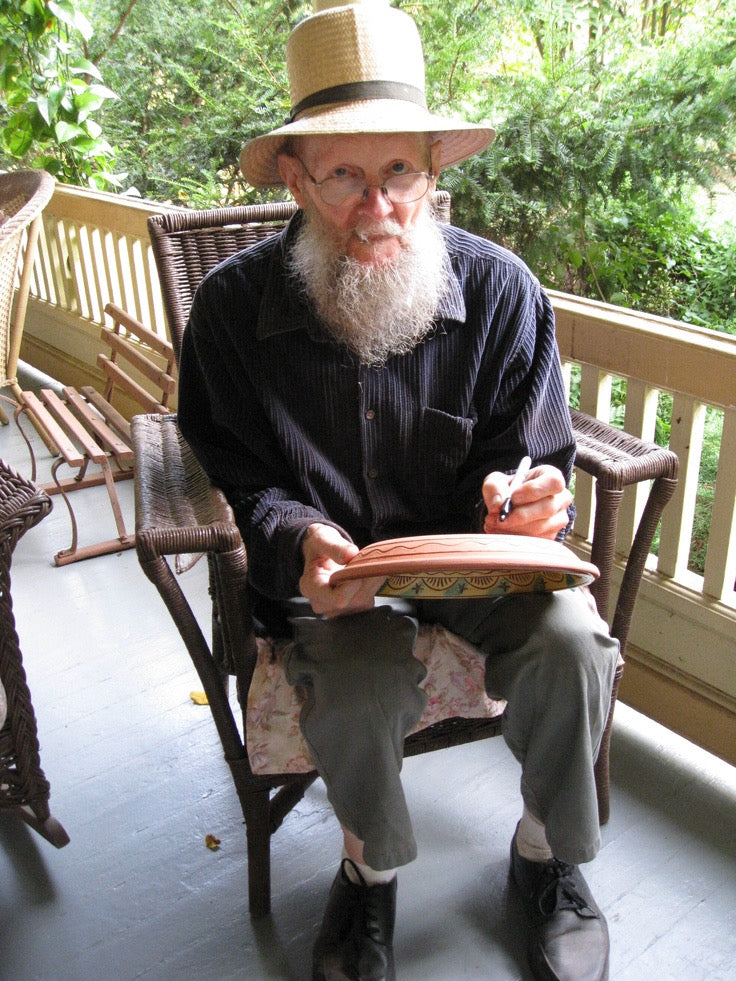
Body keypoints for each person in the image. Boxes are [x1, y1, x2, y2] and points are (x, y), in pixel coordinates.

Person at [177, 2, 618, 978]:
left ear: (433, 169)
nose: (378, 208)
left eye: (400, 172)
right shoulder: (228, 312)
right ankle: (368, 878)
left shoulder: (502, 292)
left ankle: (543, 861)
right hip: (329, 582)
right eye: (343, 174)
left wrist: (531, 494)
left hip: (479, 572)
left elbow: (538, 453)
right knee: (361, 678)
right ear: (294, 176)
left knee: (574, 646)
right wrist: (299, 543)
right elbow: (241, 476)